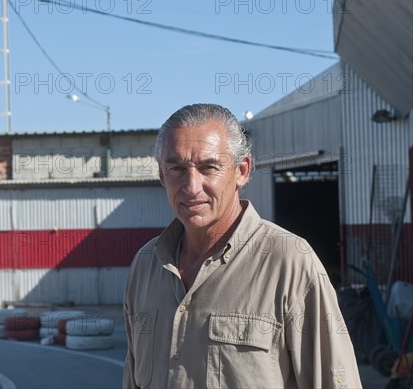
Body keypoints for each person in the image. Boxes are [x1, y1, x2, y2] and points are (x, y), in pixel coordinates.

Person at [123, 104, 362, 388]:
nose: (191, 186)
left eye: (208, 167)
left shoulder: (289, 262)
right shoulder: (147, 264)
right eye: (176, 168)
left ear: (242, 171)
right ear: (162, 175)